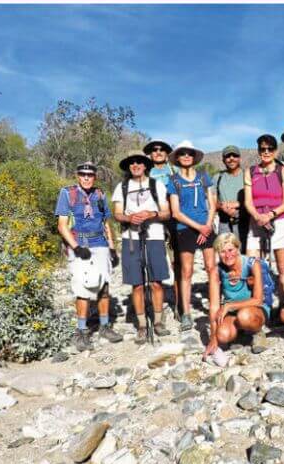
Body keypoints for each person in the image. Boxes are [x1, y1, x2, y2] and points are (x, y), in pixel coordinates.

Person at [54, 162, 120, 351]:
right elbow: (62, 225)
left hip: (100, 244)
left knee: (104, 286)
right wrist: (75, 248)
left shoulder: (100, 195)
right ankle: (82, 331)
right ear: (77, 175)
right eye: (83, 174)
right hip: (80, 244)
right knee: (83, 288)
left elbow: (106, 222)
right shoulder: (67, 194)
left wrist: (112, 248)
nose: (86, 177)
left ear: (95, 177)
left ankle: (105, 326)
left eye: (90, 175)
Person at [112, 151, 173, 343]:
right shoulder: (121, 187)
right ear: (128, 166)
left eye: (139, 162)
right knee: (136, 284)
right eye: (132, 163)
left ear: (146, 165)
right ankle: (141, 325)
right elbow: (117, 214)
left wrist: (151, 214)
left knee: (156, 281)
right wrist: (130, 218)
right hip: (131, 237)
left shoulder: (157, 185)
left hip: (154, 236)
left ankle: (157, 321)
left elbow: (167, 213)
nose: (135, 165)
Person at [165, 141, 216, 332]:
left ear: (194, 157)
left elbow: (212, 203)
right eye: (182, 153)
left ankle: (214, 305)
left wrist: (208, 226)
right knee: (186, 271)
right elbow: (176, 212)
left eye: (189, 153)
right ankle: (186, 313)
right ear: (177, 158)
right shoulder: (174, 181)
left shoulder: (204, 177)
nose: (186, 156)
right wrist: (198, 228)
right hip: (185, 228)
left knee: (212, 268)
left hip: (206, 226)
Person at [243, 134, 284, 310]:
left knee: (283, 268)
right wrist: (258, 216)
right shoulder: (250, 171)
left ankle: (282, 305)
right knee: (252, 265)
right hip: (256, 222)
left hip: (280, 220)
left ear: (275, 150)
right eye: (262, 149)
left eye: (269, 149)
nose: (266, 152)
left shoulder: (283, 170)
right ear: (258, 150)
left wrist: (271, 215)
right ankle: (258, 305)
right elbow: (248, 201)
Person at [204, 232, 269, 367]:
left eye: (230, 250)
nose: (227, 255)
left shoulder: (252, 264)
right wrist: (213, 338)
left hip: (254, 309)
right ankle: (241, 332)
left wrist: (229, 306)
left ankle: (257, 332)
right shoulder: (216, 271)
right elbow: (214, 306)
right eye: (222, 252)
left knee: (244, 315)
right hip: (233, 311)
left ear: (238, 248)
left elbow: (258, 299)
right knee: (222, 335)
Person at [213, 145, 247, 248]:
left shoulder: (248, 175)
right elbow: (212, 202)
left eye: (235, 155)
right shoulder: (217, 177)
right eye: (228, 156)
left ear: (239, 158)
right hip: (224, 223)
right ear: (223, 160)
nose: (231, 159)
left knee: (245, 256)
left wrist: (238, 204)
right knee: (225, 253)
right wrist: (222, 206)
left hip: (245, 222)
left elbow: (256, 199)